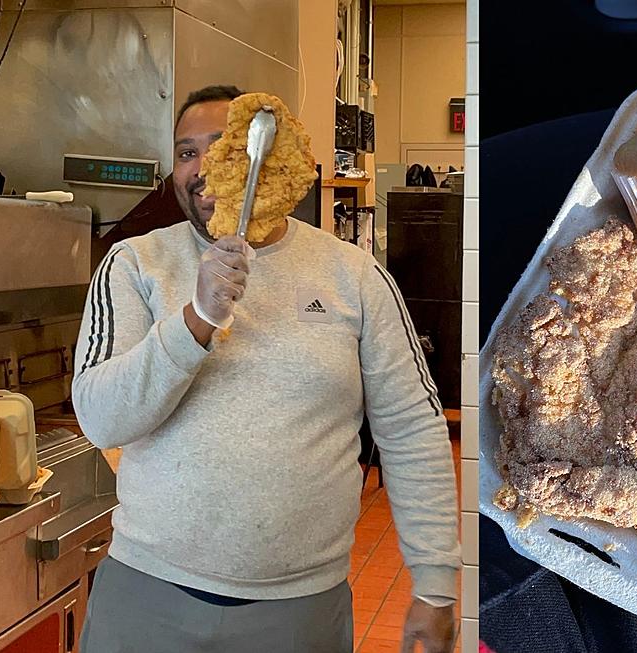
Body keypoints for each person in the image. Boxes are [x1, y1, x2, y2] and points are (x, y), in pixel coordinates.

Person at [73, 85, 460, 653]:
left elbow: (412, 429)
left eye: (224, 147)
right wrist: (196, 320)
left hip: (301, 609)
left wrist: (435, 583)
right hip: (147, 594)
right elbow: (102, 420)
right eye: (185, 152)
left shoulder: (353, 276)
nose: (202, 167)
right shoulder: (135, 263)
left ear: (270, 160)